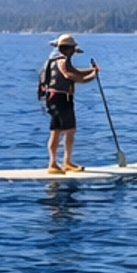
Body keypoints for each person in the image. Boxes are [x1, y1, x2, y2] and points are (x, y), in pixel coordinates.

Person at [40, 34, 99, 173]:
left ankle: (62, 162)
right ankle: (56, 163)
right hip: (60, 99)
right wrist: (91, 77)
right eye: (72, 48)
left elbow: (75, 71)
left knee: (63, 130)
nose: (74, 51)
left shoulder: (57, 59)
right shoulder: (62, 61)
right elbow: (69, 76)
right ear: (68, 49)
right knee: (62, 131)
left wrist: (92, 70)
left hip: (57, 99)